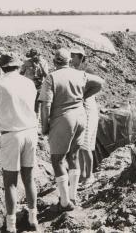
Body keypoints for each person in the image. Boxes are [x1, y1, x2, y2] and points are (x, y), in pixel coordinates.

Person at [39, 48, 104, 211]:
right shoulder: (80, 74)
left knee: (57, 159)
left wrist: (45, 126)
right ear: (68, 60)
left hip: (63, 119)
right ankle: (73, 197)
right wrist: (84, 95)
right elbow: (100, 82)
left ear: (55, 61)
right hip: (81, 117)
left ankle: (64, 202)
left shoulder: (51, 77)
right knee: (73, 156)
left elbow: (45, 105)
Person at [0, 53, 39, 233]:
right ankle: (33, 218)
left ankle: (11, 225)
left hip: (10, 135)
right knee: (29, 178)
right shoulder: (29, 83)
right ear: (18, 66)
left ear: (2, 67)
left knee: (10, 182)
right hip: (30, 132)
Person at [70, 47, 100, 186]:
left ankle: (89, 176)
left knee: (86, 144)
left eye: (74, 56)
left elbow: (98, 84)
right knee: (80, 143)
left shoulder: (88, 71)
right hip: (81, 108)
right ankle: (82, 174)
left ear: (80, 57)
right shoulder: (74, 70)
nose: (71, 58)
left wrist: (83, 94)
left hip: (88, 107)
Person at [20, 48, 49, 115]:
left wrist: (40, 66)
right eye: (32, 56)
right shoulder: (26, 62)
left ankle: (37, 120)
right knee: (28, 103)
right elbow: (21, 73)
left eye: (35, 55)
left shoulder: (43, 62)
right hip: (28, 86)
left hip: (39, 86)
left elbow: (46, 76)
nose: (34, 57)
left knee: (37, 105)